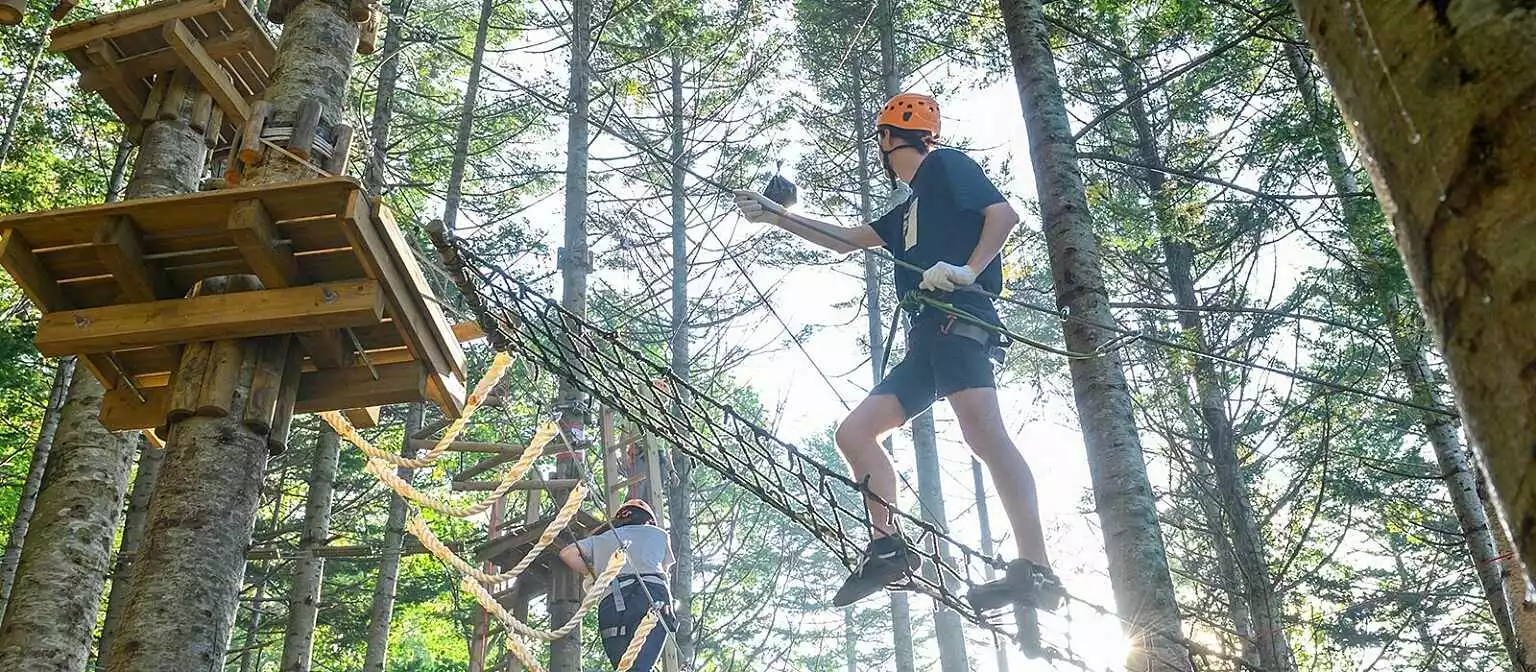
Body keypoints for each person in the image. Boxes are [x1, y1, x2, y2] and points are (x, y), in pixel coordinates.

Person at [732, 92, 1055, 610]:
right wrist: (775, 217)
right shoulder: (908, 210)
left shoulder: (946, 165)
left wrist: (968, 271)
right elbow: (842, 239)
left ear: (888, 139)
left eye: (880, 141)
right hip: (926, 337)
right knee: (855, 432)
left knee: (982, 432)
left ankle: (1036, 568)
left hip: (961, 316)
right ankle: (888, 547)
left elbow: (1003, 215)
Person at [558, 499, 678, 670]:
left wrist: (596, 572)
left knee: (625, 667)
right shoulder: (659, 534)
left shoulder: (601, 539)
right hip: (653, 598)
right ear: (649, 520)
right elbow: (664, 571)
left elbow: (567, 553)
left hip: (613, 601)